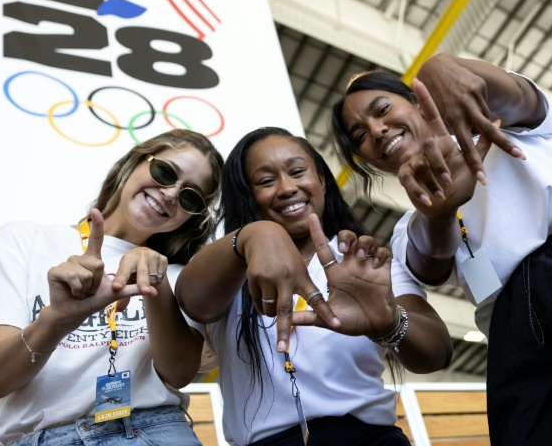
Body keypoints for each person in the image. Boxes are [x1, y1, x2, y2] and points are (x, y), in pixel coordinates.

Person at [331, 53, 552, 445]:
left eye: (382, 110)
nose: (377, 130)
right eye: (360, 135)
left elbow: (519, 97)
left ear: (418, 101)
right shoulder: (408, 229)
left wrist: (442, 67)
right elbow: (429, 262)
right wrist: (440, 211)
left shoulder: (502, 129)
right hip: (515, 328)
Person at [0, 129, 224, 446]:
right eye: (165, 172)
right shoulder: (19, 242)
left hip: (154, 431)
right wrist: (57, 319)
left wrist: (157, 285)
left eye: (190, 197)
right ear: (136, 162)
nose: (170, 194)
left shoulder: (181, 276)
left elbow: (179, 374)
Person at [174, 127, 452, 446]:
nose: (287, 187)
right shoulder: (227, 264)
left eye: (297, 172)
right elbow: (192, 301)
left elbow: (438, 354)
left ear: (320, 179)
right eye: (266, 181)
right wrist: (253, 235)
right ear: (247, 195)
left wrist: (389, 322)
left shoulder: (363, 262)